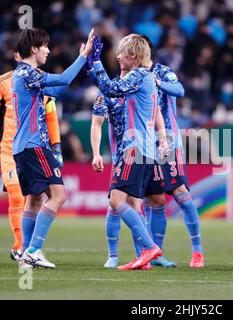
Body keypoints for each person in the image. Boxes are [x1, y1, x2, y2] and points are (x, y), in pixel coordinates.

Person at [12, 27, 94, 269]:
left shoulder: (22, 75)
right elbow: (64, 80)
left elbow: (57, 89)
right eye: (45, 46)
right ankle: (34, 250)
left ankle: (26, 255)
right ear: (34, 48)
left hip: (22, 146)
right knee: (58, 196)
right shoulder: (29, 74)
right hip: (34, 145)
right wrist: (84, 56)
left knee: (34, 199)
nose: (49, 50)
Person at [87, 34, 165, 270]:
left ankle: (148, 247)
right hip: (143, 150)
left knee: (116, 200)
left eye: (122, 53)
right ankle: (143, 255)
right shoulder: (144, 77)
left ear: (134, 56)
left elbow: (110, 88)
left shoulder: (140, 75)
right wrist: (92, 62)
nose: (118, 56)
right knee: (130, 204)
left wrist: (96, 61)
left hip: (135, 148)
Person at [0, 51, 62, 263]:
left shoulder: (42, 80)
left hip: (35, 148)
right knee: (17, 195)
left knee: (35, 197)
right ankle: (21, 247)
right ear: (16, 55)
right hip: (9, 150)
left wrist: (56, 145)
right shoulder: (1, 82)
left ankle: (30, 249)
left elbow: (51, 115)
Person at [140, 35, 204, 268]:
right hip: (143, 144)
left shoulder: (162, 72)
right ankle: (155, 254)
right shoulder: (132, 77)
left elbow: (179, 90)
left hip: (166, 143)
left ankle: (197, 251)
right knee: (153, 200)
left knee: (180, 194)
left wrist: (158, 83)